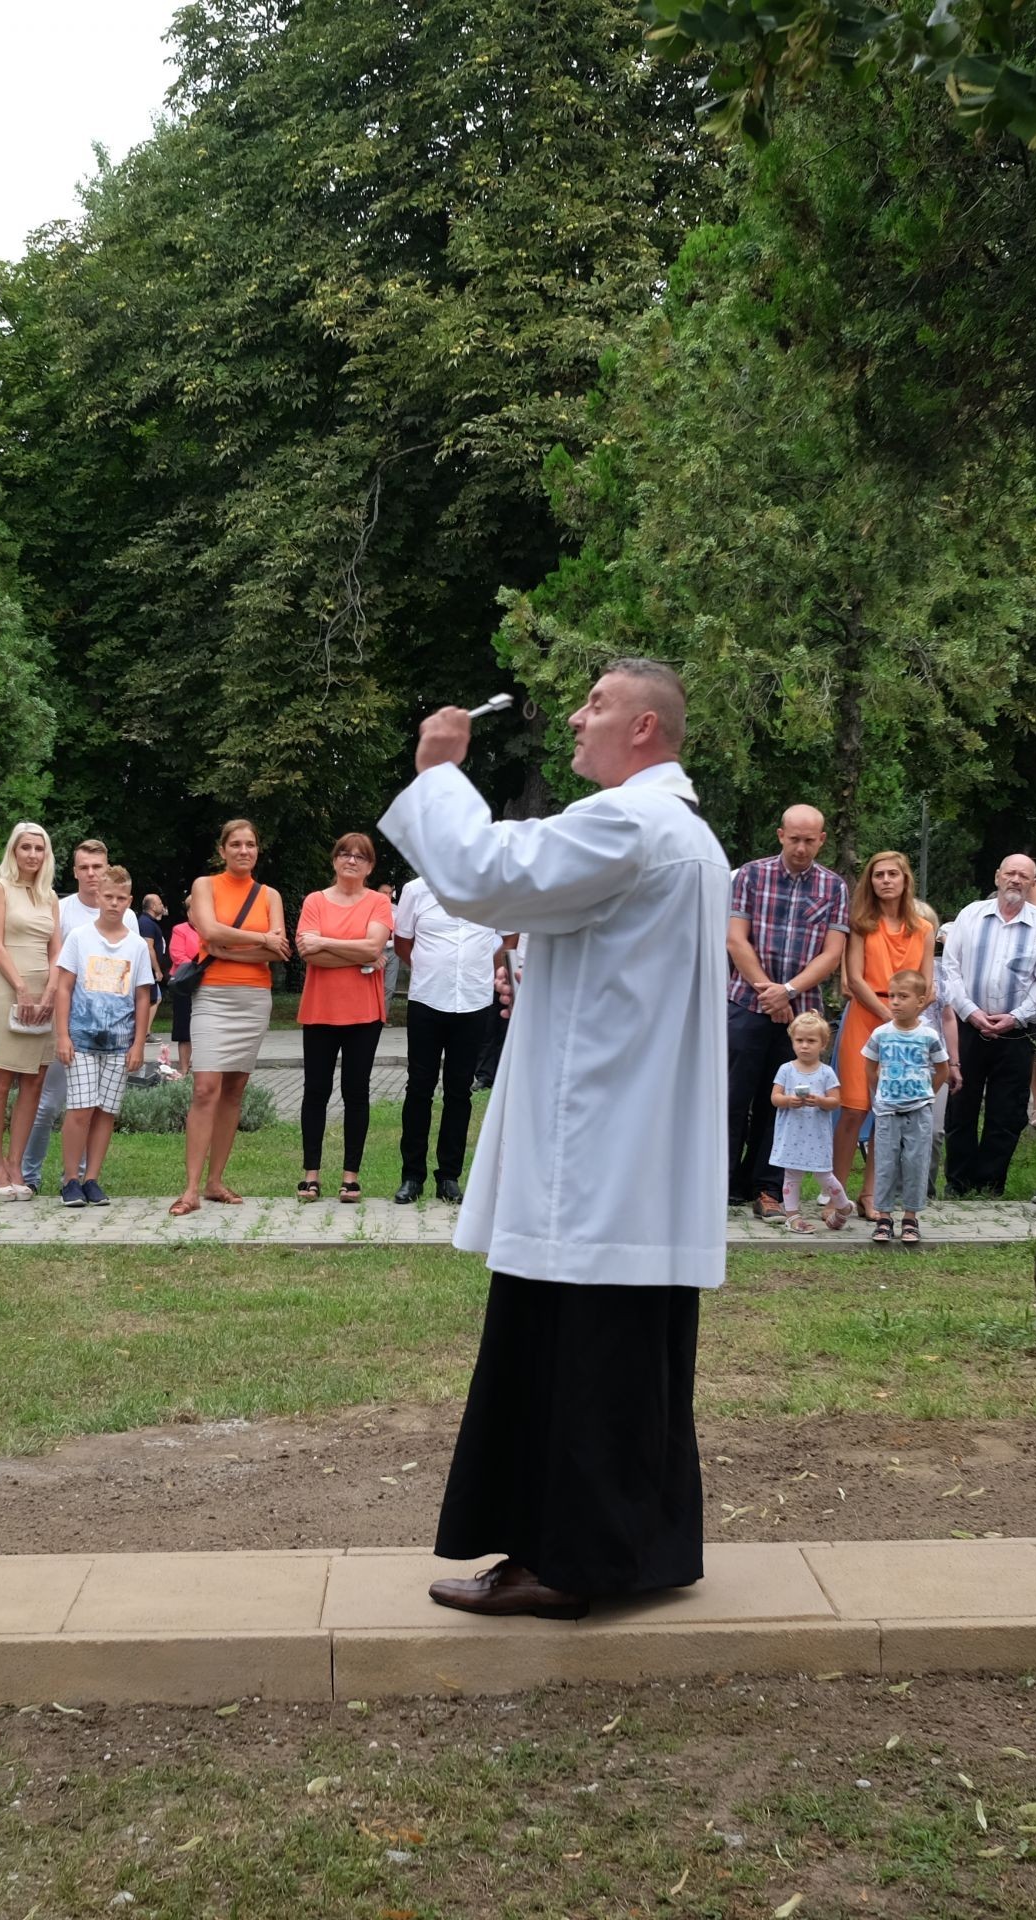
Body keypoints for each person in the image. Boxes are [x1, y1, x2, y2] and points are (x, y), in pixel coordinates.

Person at [378, 657, 729, 1621]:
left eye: (598, 705)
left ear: (646, 730)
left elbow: (486, 876)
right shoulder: (684, 834)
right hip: (630, 1141)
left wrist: (440, 771)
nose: (577, 719)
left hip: (595, 1145)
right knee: (626, 1352)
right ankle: (631, 1548)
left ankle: (568, 1560)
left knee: (578, 1353)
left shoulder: (632, 823)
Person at [725, 806, 848, 1218]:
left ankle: (767, 1188)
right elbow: (736, 940)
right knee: (731, 1097)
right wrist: (768, 993)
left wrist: (790, 991)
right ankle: (718, 1184)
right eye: (794, 838)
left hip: (802, 1019)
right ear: (780, 835)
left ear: (822, 840)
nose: (801, 847)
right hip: (746, 1002)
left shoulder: (833, 886)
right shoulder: (750, 875)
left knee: (783, 1103)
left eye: (809, 840)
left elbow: (832, 953)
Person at [175, 819, 287, 1216]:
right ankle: (189, 1189)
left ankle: (215, 1181)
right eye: (235, 844)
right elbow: (207, 928)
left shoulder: (269, 894)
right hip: (213, 997)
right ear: (222, 850)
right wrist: (259, 939)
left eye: (251, 844)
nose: (244, 850)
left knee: (235, 1090)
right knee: (206, 1087)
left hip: (254, 998)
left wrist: (225, 947)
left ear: (258, 850)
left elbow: (279, 952)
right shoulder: (205, 885)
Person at [940, 854, 1036, 1195]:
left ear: (1033, 883)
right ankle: (958, 1183)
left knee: (1006, 1112)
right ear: (997, 876)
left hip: (1018, 1031)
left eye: (1024, 876)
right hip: (968, 1027)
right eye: (1010, 873)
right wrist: (971, 1011)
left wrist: (1015, 1017)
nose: (1015, 880)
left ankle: (990, 1183)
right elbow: (950, 968)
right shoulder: (970, 914)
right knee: (961, 1106)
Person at [392, 868, 508, 1205]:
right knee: (419, 1089)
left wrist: (483, 968)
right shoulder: (415, 890)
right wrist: (431, 966)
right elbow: (403, 942)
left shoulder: (492, 890)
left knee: (460, 1092)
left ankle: (449, 1177)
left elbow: (509, 937)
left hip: (472, 1001)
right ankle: (412, 1176)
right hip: (428, 999)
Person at [834, 851, 940, 1216]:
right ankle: (835, 1193)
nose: (886, 880)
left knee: (888, 1111)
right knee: (853, 1107)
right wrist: (885, 1015)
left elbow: (927, 984)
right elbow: (855, 977)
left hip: (905, 1026)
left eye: (893, 874)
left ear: (905, 879)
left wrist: (906, 1017)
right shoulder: (861, 923)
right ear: (871, 881)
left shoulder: (924, 930)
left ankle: (871, 1195)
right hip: (866, 1016)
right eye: (878, 875)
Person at [297, 832, 396, 1203]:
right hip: (320, 1008)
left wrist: (326, 942)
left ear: (370, 866)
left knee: (356, 1092)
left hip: (363, 1012)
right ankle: (310, 1175)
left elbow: (375, 945)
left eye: (360, 856)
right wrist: (359, 956)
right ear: (334, 860)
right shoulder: (314, 901)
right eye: (344, 853)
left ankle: (350, 1177)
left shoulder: (378, 902)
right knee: (315, 1092)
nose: (351, 860)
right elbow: (309, 954)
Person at [51, 864, 155, 1206]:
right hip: (80, 1039)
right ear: (98, 896)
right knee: (80, 1108)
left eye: (120, 898)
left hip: (118, 1043)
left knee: (105, 1111)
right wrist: (62, 1035)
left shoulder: (137, 946)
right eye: (108, 897)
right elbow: (64, 987)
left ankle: (93, 1177)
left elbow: (143, 996)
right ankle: (70, 1178)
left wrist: (138, 1043)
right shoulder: (80, 938)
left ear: (130, 901)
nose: (113, 904)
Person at [19, 840, 111, 1195]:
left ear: (107, 869)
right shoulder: (61, 909)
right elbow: (52, 963)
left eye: (97, 867)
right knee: (49, 1103)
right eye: (84, 867)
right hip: (66, 1021)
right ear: (74, 871)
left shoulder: (123, 913)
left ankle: (82, 1177)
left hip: (105, 1026)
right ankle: (28, 1174)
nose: (91, 874)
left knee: (93, 1105)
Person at [0, 822, 58, 1199]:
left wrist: (51, 993)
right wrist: (22, 989)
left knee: (34, 1082)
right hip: (9, 992)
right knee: (1, 1080)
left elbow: (57, 950)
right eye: (25, 847)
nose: (32, 855)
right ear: (14, 851)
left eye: (38, 849)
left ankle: (15, 1163)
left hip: (45, 998)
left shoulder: (50, 897)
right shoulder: (0, 888)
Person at [859, 968, 954, 1244]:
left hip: (919, 1111)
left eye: (903, 996)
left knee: (916, 1162)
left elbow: (942, 1070)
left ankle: (911, 1217)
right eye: (892, 996)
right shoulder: (881, 1034)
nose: (895, 1002)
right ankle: (884, 1216)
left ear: (920, 1000)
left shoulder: (928, 1035)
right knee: (886, 1163)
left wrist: (927, 1095)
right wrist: (881, 1093)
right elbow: (869, 1067)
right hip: (888, 1110)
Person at [767, 1012, 849, 1230]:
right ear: (792, 1041)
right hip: (792, 1134)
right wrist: (788, 1100)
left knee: (824, 1175)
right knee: (791, 1175)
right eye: (799, 1040)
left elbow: (835, 1101)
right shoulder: (786, 1070)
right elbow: (775, 1098)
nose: (804, 1046)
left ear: (823, 1044)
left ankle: (842, 1205)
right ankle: (792, 1216)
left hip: (817, 1135)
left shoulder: (826, 1072)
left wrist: (820, 1100)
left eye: (811, 1041)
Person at [164, 913, 203, 1078]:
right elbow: (177, 955)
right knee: (184, 1027)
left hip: (207, 983)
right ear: (188, 912)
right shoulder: (180, 930)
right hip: (186, 983)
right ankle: (184, 1067)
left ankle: (203, 1067)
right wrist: (199, 968)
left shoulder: (210, 928)